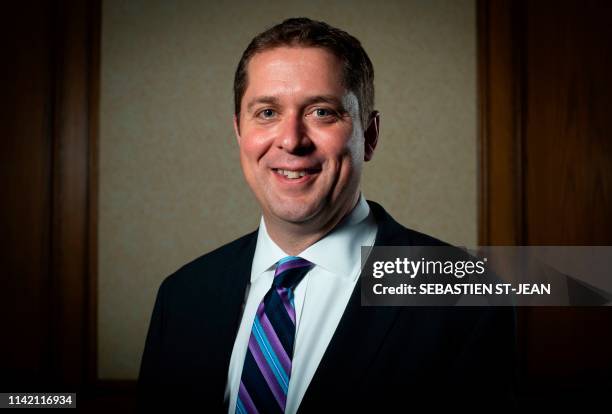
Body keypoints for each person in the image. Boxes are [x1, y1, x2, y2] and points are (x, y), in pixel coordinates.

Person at [139, 17, 517, 412]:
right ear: (239, 132)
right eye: (267, 112)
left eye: (322, 112)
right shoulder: (181, 296)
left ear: (369, 135)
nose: (291, 140)